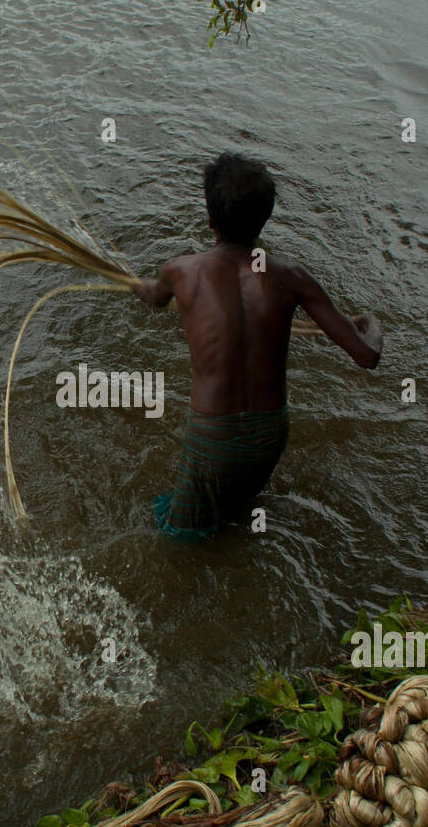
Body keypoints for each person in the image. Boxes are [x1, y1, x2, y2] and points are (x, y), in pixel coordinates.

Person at [132, 151, 383, 539]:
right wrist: (370, 322)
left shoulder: (181, 271)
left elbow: (154, 297)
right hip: (269, 435)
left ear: (210, 220)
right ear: (266, 217)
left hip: (212, 437)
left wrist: (134, 285)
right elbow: (367, 355)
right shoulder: (291, 276)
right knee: (232, 511)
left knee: (178, 538)